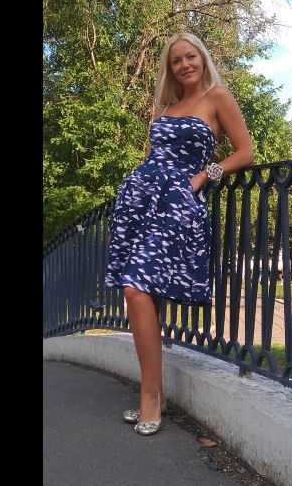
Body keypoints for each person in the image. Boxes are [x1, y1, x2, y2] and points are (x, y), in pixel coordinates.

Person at [104, 32, 254, 436]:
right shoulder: (165, 106)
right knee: (140, 292)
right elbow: (151, 157)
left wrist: (205, 175)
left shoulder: (217, 97)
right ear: (169, 68)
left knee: (135, 289)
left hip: (178, 203)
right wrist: (129, 202)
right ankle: (154, 395)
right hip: (140, 200)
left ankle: (149, 396)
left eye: (191, 57)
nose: (185, 64)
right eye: (176, 60)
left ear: (202, 58)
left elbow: (245, 152)